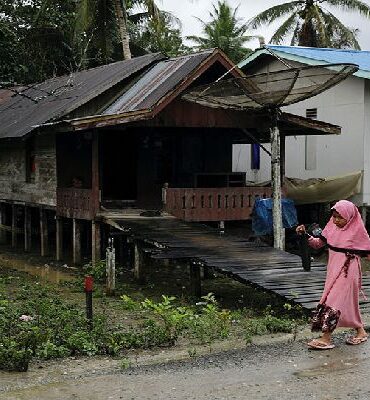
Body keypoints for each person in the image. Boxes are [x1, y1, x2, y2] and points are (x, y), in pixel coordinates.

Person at [296, 200, 370, 350]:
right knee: (346, 303)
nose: (336, 220)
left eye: (340, 217)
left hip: (349, 271)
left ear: (349, 216)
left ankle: (326, 338)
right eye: (334, 216)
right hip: (333, 270)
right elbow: (317, 244)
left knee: (333, 302)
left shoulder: (358, 231)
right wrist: (305, 235)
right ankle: (360, 331)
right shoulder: (331, 227)